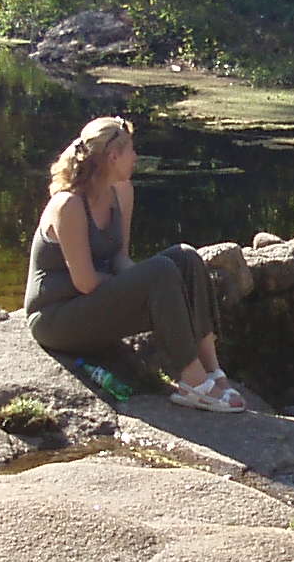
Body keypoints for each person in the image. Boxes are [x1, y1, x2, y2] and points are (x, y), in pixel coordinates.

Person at [24, 115, 247, 410]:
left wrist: (158, 286)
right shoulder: (70, 205)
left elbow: (119, 256)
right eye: (131, 151)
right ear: (113, 156)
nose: (136, 157)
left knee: (185, 258)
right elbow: (86, 281)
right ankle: (193, 383)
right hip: (57, 318)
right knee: (160, 272)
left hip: (95, 302)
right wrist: (148, 285)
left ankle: (213, 371)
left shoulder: (121, 191)